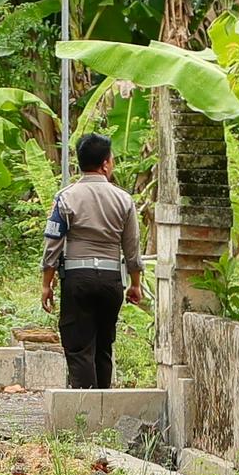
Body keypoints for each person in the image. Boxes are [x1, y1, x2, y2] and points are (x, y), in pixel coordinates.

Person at [43, 130, 148, 387]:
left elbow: (53, 243)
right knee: (103, 346)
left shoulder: (66, 197)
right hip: (111, 280)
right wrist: (135, 284)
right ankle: (104, 409)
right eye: (111, 159)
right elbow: (132, 247)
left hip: (78, 279)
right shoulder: (124, 199)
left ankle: (84, 412)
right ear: (104, 164)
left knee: (79, 347)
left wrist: (46, 283)